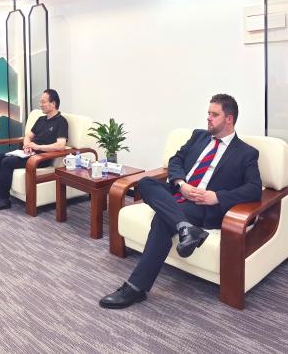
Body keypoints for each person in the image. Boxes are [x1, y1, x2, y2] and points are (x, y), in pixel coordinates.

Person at [99, 94, 261, 309]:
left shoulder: (246, 153)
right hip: (179, 192)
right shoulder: (199, 136)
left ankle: (135, 288)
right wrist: (181, 184)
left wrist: (216, 197)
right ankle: (185, 228)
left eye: (214, 114)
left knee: (161, 220)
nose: (208, 118)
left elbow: (254, 189)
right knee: (146, 183)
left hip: (202, 205)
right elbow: (176, 160)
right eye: (208, 113)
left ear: (229, 119)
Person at [0, 89, 68, 212]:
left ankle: (4, 199)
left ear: (53, 103)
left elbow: (60, 145)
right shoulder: (41, 119)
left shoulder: (61, 121)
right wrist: (27, 145)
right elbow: (28, 136)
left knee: (7, 162)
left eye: (43, 102)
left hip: (41, 158)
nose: (40, 104)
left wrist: (37, 147)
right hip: (28, 153)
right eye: (40, 102)